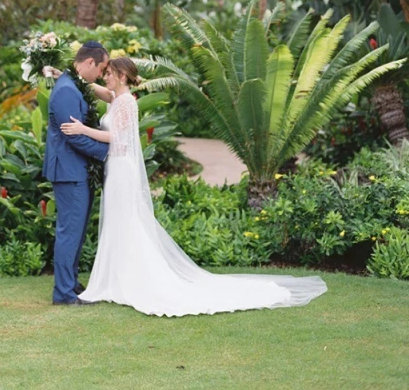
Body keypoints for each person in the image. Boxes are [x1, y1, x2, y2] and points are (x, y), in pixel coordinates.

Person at [60, 55, 328, 317]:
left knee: (127, 222)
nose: (104, 76)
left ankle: (133, 281)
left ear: (121, 76)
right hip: (115, 169)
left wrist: (82, 129)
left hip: (121, 169)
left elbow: (115, 137)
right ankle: (117, 279)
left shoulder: (127, 102)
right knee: (118, 223)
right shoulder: (116, 97)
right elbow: (93, 88)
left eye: (108, 73)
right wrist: (68, 73)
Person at [42, 41, 109, 305]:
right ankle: (64, 293)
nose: (101, 75)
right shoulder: (68, 90)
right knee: (70, 231)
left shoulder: (73, 84)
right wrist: (107, 151)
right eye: (101, 68)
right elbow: (75, 138)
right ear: (90, 62)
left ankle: (70, 283)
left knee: (77, 231)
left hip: (77, 170)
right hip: (69, 172)